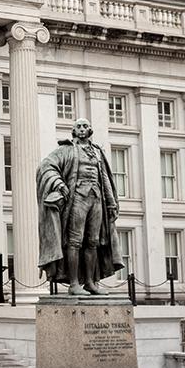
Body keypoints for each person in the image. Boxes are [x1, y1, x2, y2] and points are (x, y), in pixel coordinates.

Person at [36, 118, 124, 295]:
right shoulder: (66, 149)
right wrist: (59, 183)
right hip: (77, 198)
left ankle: (90, 282)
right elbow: (46, 166)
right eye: (78, 126)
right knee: (75, 241)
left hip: (97, 198)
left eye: (85, 126)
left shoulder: (97, 152)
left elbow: (104, 178)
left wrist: (112, 202)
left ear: (90, 129)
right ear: (73, 131)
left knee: (93, 242)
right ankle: (74, 283)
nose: (82, 129)